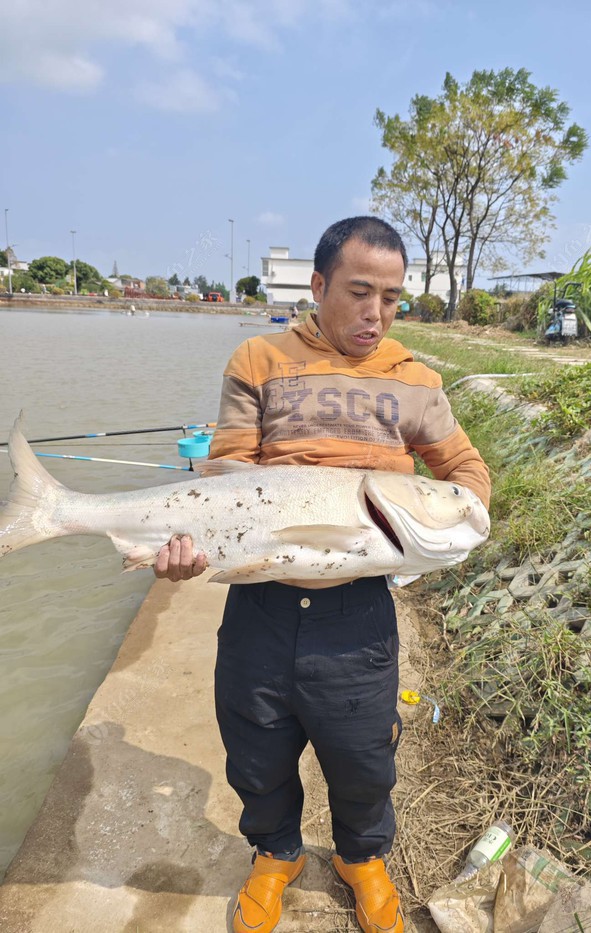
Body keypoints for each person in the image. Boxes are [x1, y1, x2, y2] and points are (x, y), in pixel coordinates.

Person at [154, 216, 490, 933]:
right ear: (317, 286)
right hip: (260, 610)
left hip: (357, 617)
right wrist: (196, 545)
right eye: (359, 292)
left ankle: (360, 858)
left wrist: (447, 526)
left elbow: (465, 471)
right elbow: (230, 474)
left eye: (392, 298)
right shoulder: (258, 357)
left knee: (364, 757)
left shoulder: (417, 381)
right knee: (256, 747)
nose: (376, 314)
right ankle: (275, 852)